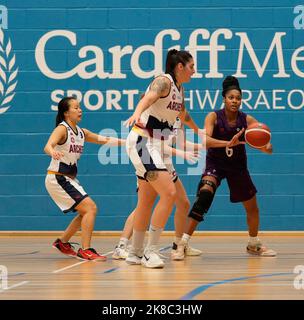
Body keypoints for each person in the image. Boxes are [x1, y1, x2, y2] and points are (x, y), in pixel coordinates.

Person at [124, 50, 245, 268]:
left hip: (155, 145)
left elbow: (183, 127)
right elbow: (149, 98)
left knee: (146, 201)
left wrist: (213, 139)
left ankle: (135, 252)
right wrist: (136, 112)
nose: (194, 70)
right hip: (142, 141)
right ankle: (149, 252)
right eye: (192, 66)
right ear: (180, 66)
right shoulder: (163, 82)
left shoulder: (180, 91)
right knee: (169, 193)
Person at [178, 76, 277, 257]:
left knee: (252, 207)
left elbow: (265, 146)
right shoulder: (213, 116)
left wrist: (266, 146)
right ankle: (182, 243)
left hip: (238, 167)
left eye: (238, 98)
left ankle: (253, 244)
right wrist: (227, 144)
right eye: (231, 97)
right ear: (224, 98)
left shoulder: (247, 120)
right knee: (204, 194)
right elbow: (206, 141)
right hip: (216, 163)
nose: (235, 101)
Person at [44, 97, 125, 261]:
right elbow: (48, 145)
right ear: (66, 113)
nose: (80, 110)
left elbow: (107, 140)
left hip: (68, 179)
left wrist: (128, 142)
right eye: (76, 107)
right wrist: (52, 152)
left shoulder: (82, 132)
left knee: (85, 212)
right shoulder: (62, 129)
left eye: (80, 107)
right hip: (57, 178)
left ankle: (62, 242)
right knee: (90, 208)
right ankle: (85, 250)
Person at [113, 117, 203, 261]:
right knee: (144, 205)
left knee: (183, 203)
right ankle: (122, 246)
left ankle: (178, 245)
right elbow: (155, 144)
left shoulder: (176, 118)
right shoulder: (153, 117)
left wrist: (208, 145)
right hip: (150, 162)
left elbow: (182, 143)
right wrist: (181, 154)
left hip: (166, 164)